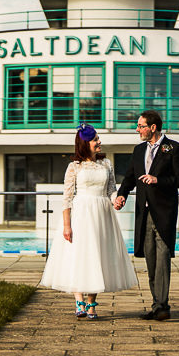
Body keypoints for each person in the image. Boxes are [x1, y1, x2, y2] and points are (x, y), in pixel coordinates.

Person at [40, 124, 137, 320]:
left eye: (98, 139)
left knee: (98, 255)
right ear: (86, 144)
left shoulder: (107, 164)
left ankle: (92, 303)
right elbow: (67, 199)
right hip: (81, 214)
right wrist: (67, 225)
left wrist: (117, 199)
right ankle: (79, 300)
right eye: (95, 140)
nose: (99, 142)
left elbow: (111, 190)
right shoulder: (73, 167)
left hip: (102, 214)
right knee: (80, 255)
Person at [114, 110, 179, 321]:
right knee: (150, 259)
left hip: (164, 212)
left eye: (140, 126)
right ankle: (157, 304)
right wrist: (121, 195)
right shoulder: (138, 150)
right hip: (144, 213)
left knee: (163, 258)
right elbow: (130, 178)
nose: (137, 129)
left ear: (153, 127)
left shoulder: (173, 148)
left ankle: (163, 306)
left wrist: (158, 180)